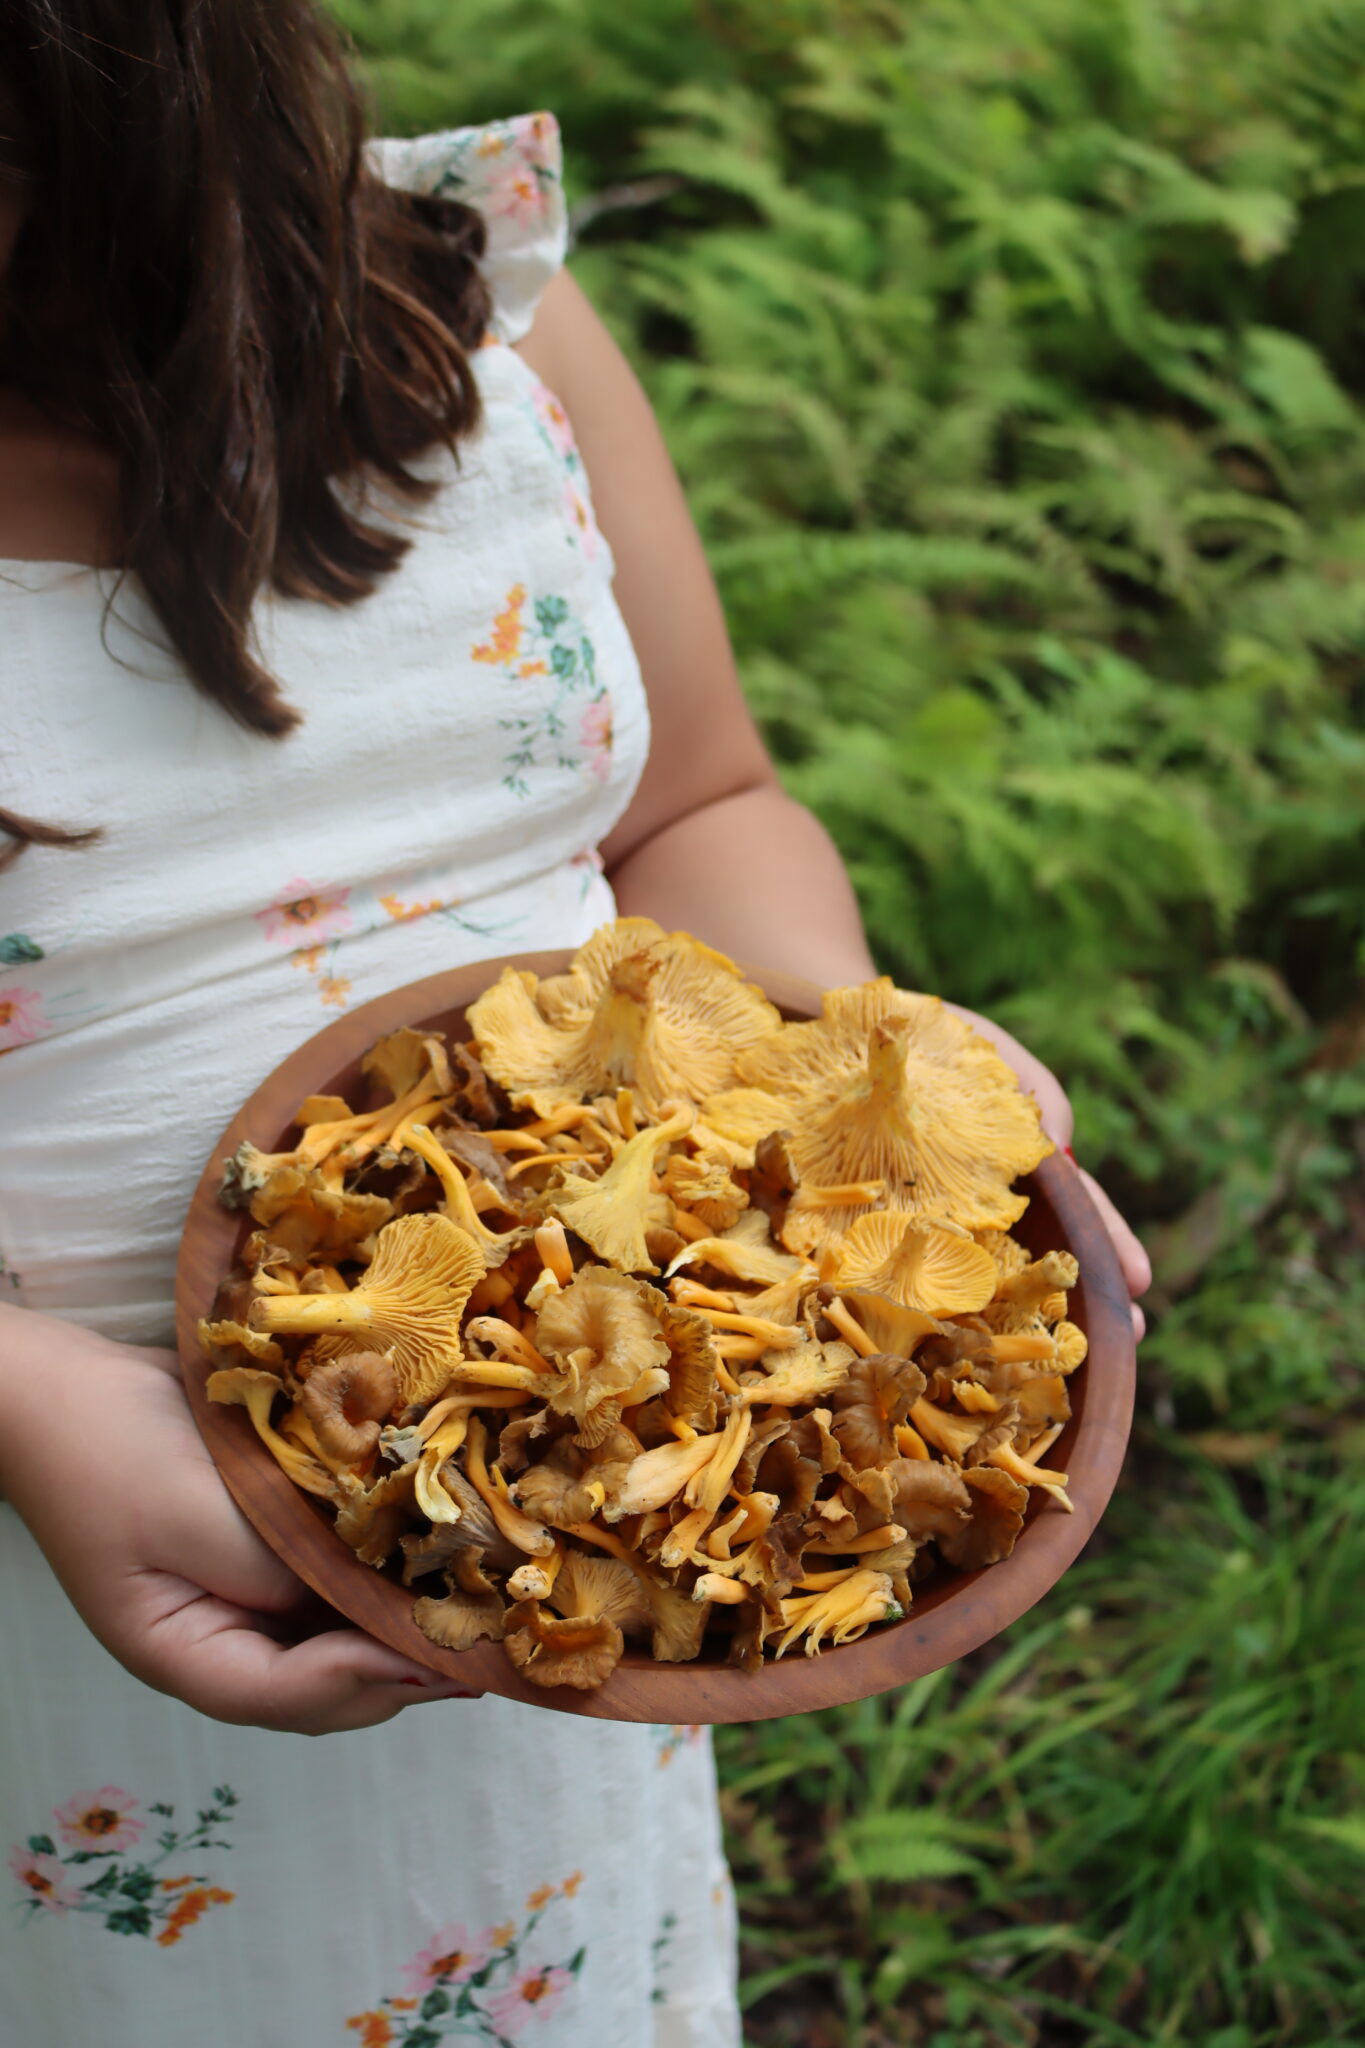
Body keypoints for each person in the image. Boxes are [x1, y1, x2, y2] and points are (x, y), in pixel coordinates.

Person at [0, 6, 1150, 2043]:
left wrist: (844, 1086)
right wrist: (30, 1405)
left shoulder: (456, 324)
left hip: (532, 1642)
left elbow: (697, 802)